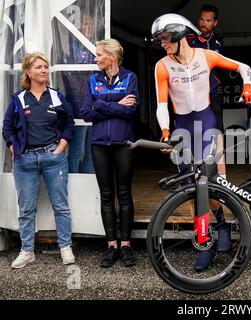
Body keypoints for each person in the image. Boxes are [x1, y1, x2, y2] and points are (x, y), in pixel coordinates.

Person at [151, 13, 251, 271]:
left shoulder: (205, 56)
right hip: (182, 127)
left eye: (166, 39)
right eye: (160, 41)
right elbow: (161, 104)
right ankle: (204, 242)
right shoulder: (162, 65)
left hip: (207, 123)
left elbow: (244, 68)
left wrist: (247, 86)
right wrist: (165, 131)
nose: (163, 45)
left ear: (179, 36)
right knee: (190, 190)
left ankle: (221, 225)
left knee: (210, 183)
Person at [2, 52, 75, 268]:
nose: (44, 70)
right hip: (25, 161)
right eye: (39, 67)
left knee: (60, 205)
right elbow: (7, 128)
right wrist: (13, 146)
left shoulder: (56, 96)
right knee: (26, 209)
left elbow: (69, 123)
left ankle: (65, 247)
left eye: (46, 67)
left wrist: (61, 146)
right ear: (28, 72)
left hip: (53, 157)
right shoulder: (18, 99)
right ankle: (27, 251)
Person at [80, 39, 139, 267]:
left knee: (124, 194)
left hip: (124, 144)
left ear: (112, 56)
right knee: (106, 195)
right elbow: (86, 113)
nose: (95, 59)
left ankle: (126, 246)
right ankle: (111, 245)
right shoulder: (93, 80)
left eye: (98, 55)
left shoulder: (129, 77)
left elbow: (131, 110)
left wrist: (100, 105)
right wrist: (114, 105)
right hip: (99, 146)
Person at [187, 4, 227, 178]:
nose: (203, 23)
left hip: (213, 95)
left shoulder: (218, 41)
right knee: (193, 134)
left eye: (208, 20)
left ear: (215, 23)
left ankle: (221, 176)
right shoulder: (188, 39)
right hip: (192, 97)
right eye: (201, 19)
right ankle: (196, 173)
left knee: (218, 135)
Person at [64, 13, 96, 174]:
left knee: (91, 151)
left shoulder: (96, 48)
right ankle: (74, 187)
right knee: (76, 149)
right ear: (78, 28)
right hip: (78, 106)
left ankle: (88, 191)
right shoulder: (72, 50)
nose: (89, 27)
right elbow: (74, 80)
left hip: (94, 106)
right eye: (86, 24)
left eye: (91, 24)